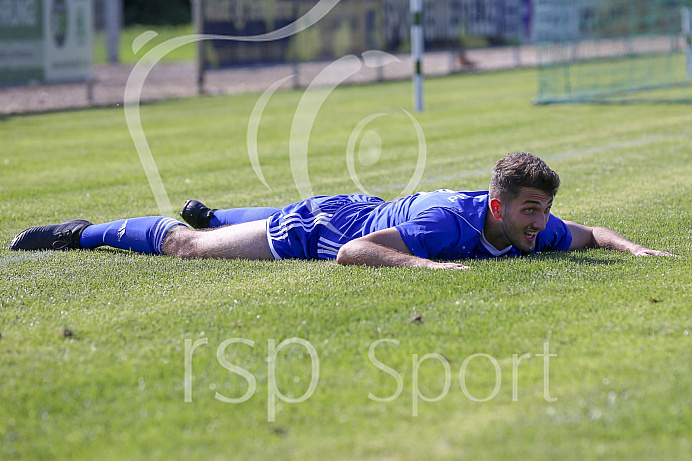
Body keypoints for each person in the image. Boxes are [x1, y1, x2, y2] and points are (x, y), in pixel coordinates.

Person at [9, 152, 672, 269]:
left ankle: (218, 213)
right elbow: (356, 253)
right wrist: (427, 269)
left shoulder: (535, 228)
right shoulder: (451, 225)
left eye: (545, 212)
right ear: (497, 205)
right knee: (189, 251)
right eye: (531, 211)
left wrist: (632, 248)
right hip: (321, 229)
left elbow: (593, 233)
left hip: (361, 207)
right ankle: (81, 233)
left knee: (221, 227)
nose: (542, 223)